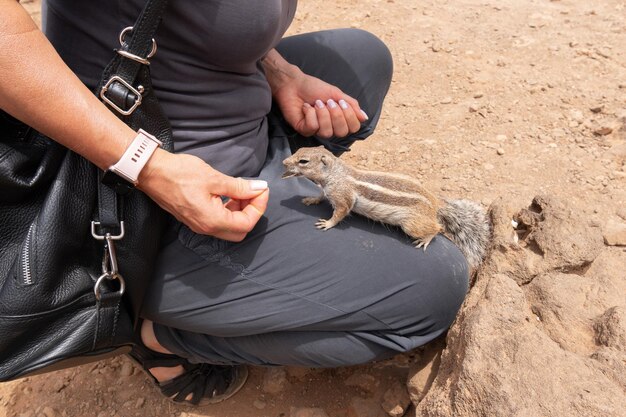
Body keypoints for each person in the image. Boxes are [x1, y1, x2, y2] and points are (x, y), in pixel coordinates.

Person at [1, 0, 469, 406]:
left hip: (227, 124)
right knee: (434, 288)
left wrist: (281, 72)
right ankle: (151, 333)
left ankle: (275, 194)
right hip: (139, 201)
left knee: (362, 60)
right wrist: (145, 164)